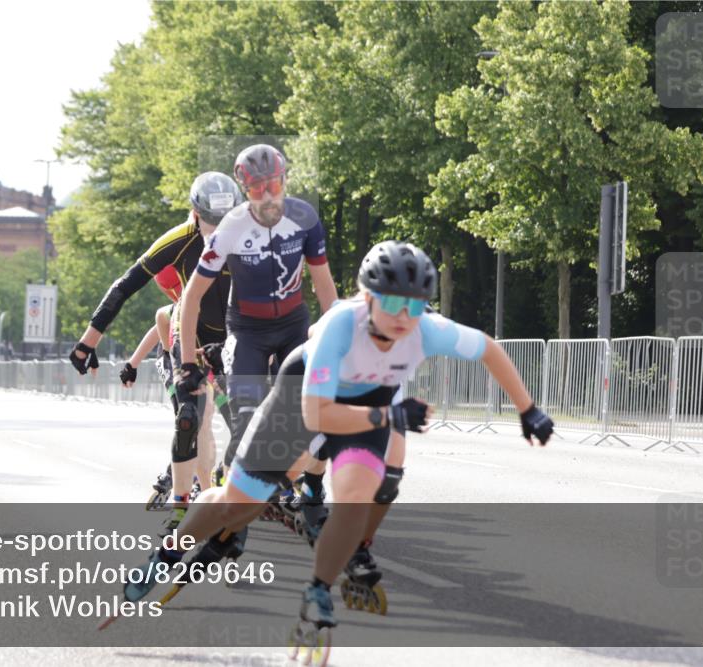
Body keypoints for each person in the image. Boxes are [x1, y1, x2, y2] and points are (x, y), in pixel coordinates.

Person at [124, 242, 555, 628]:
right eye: (391, 303)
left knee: (359, 497)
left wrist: (528, 409)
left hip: (371, 403)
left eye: (417, 305)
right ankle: (165, 556)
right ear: (366, 297)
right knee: (236, 506)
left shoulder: (427, 328)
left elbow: (488, 348)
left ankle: (319, 584)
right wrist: (388, 415)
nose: (405, 317)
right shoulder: (340, 327)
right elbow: (317, 413)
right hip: (302, 397)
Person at [174, 144, 339, 548]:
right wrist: (186, 364)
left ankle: (312, 490)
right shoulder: (230, 226)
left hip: (293, 327)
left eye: (275, 185)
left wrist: (335, 340)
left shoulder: (305, 218)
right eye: (257, 188)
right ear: (244, 189)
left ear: (285, 180)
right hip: (247, 330)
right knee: (247, 424)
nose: (268, 196)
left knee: (313, 416)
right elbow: (191, 297)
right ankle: (233, 522)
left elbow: (324, 287)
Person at [71, 172, 243, 527]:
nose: (217, 230)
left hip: (234, 337)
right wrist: (89, 341)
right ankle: (188, 504)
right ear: (194, 214)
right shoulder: (179, 239)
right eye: (210, 223)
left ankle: (231, 490)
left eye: (224, 222)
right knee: (193, 418)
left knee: (245, 421)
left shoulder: (250, 235)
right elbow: (125, 285)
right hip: (190, 333)